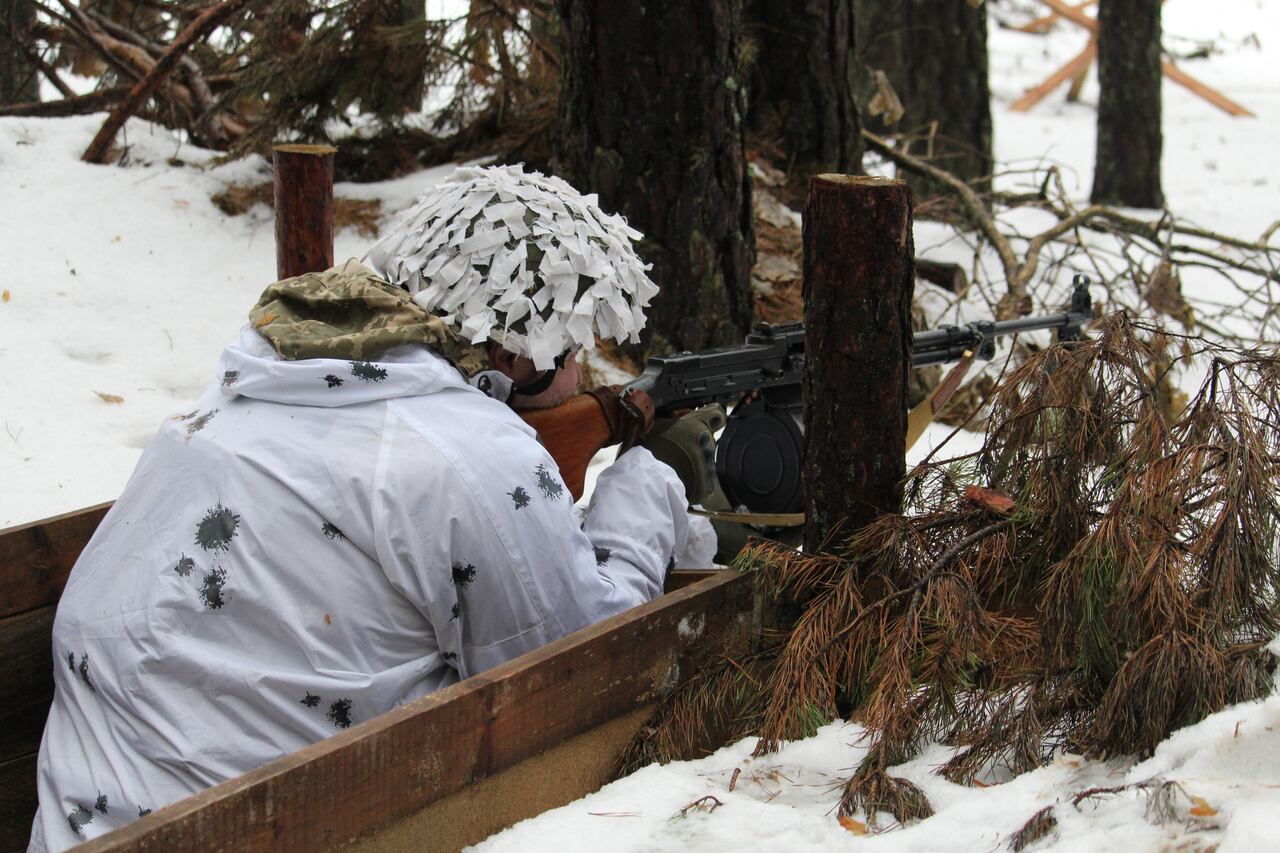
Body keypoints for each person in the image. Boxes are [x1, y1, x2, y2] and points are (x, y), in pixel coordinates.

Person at [29, 165, 721, 851]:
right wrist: (647, 490)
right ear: (516, 351)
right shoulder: (471, 452)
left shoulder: (250, 383)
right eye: (571, 348)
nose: (580, 377)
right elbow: (588, 665)